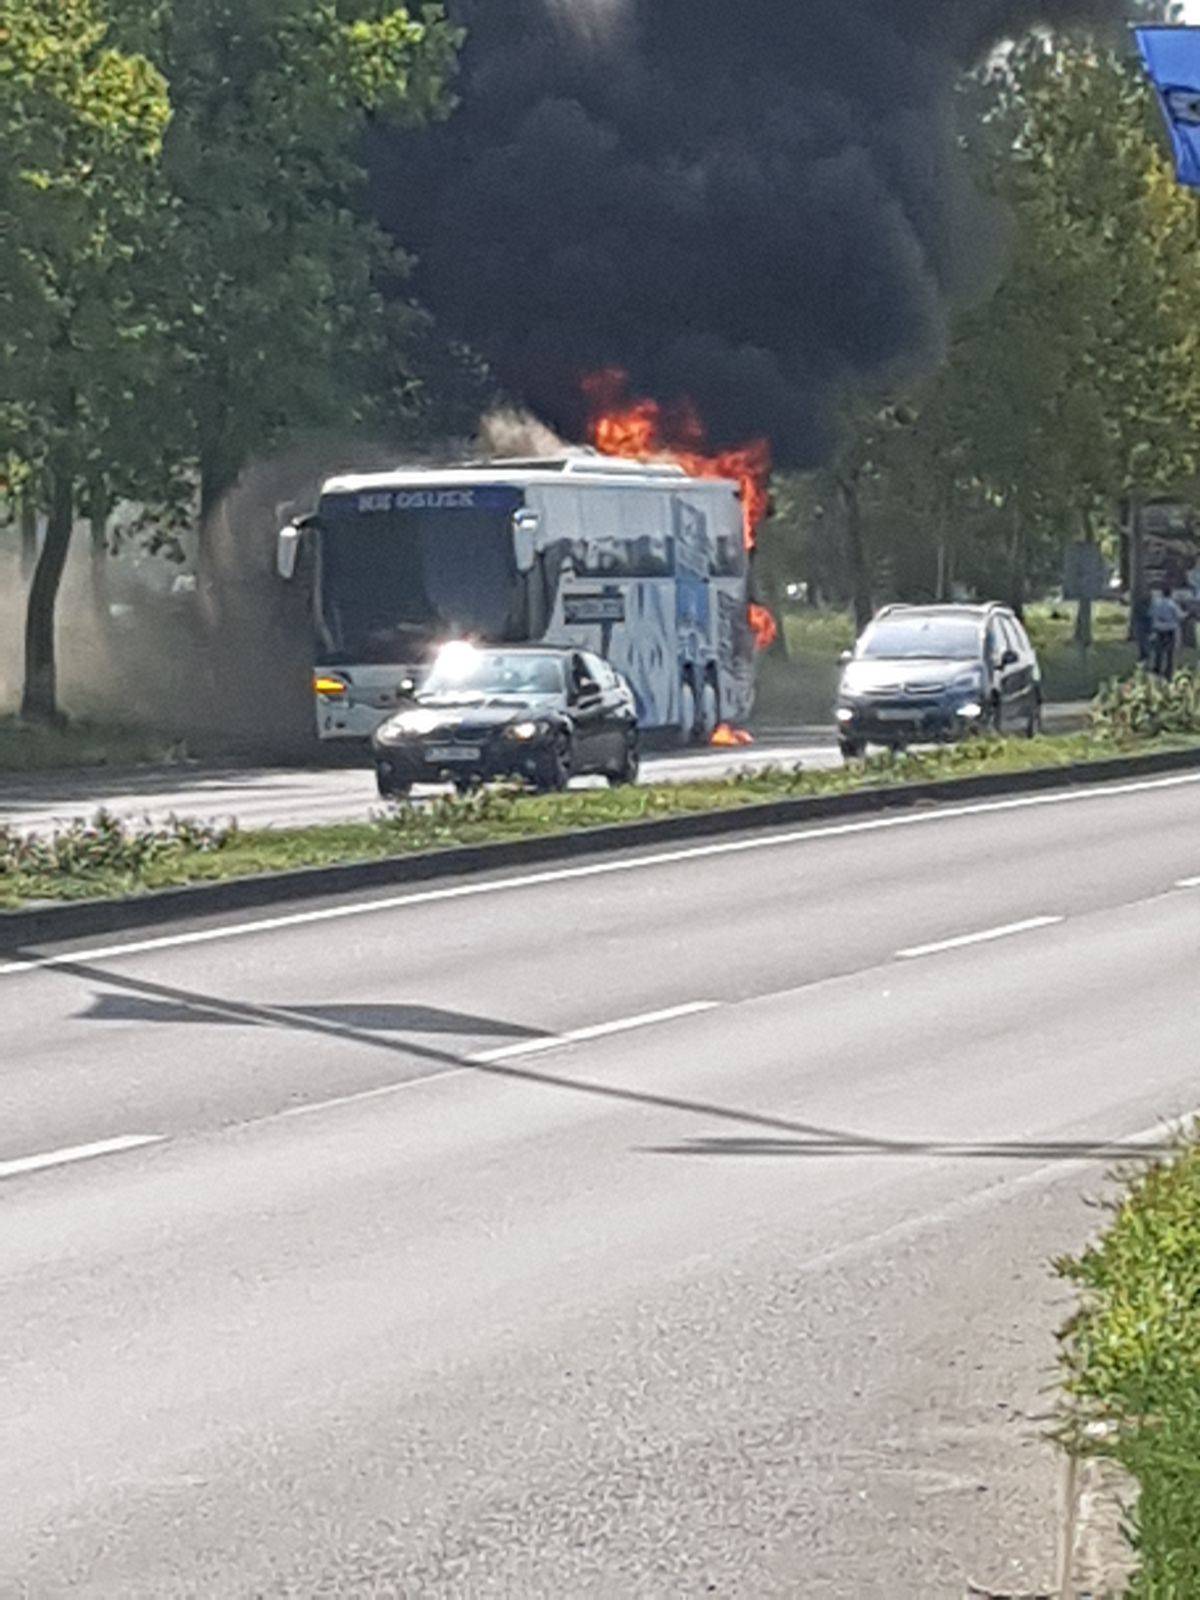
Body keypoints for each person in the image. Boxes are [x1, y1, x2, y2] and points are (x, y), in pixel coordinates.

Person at [1149, 583, 1182, 678]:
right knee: (1169, 653)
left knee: (1158, 650)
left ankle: (1156, 669)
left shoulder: (1156, 603)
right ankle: (1168, 672)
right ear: (1171, 593)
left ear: (1162, 593)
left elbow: (1151, 613)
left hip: (1158, 629)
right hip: (1170, 629)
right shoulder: (1172, 604)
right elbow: (1179, 616)